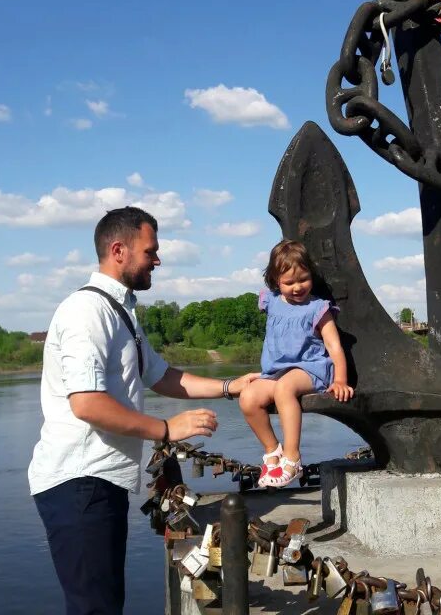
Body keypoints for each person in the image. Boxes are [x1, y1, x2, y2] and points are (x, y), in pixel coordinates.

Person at [28, 206, 258, 615]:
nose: (158, 260)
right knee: (94, 607)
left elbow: (162, 376)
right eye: (151, 251)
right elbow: (87, 403)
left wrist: (229, 386)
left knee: (104, 603)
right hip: (78, 481)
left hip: (97, 481)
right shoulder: (87, 312)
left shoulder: (121, 312)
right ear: (119, 250)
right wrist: (165, 428)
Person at [238, 239, 354, 488]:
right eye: (289, 282)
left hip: (310, 369)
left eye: (303, 279)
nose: (297, 287)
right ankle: (273, 452)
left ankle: (293, 457)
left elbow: (334, 345)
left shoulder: (317, 308)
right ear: (275, 280)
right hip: (277, 373)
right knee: (248, 397)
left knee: (285, 388)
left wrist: (341, 379)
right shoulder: (270, 301)